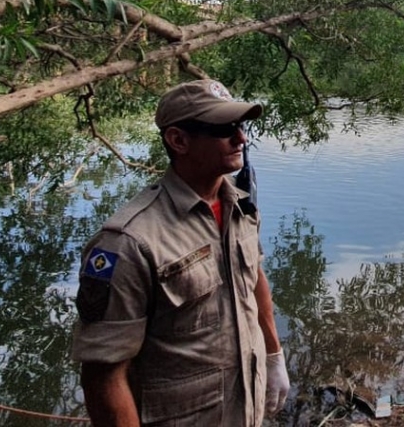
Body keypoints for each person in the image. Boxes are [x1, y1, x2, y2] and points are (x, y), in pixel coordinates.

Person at [71, 79, 290, 427]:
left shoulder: (240, 206)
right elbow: (103, 377)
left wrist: (274, 354)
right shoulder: (128, 243)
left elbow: (254, 279)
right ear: (178, 140)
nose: (241, 139)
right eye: (224, 129)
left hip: (243, 407)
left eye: (241, 126)